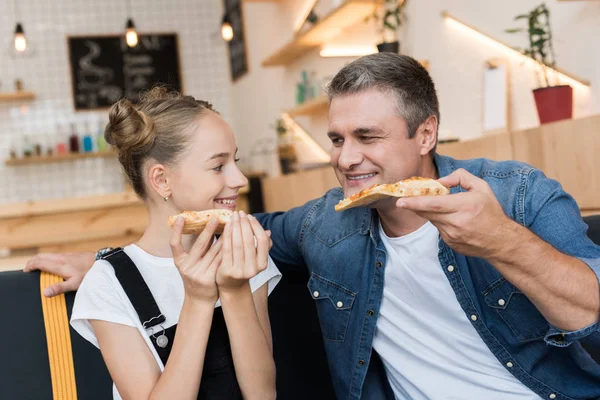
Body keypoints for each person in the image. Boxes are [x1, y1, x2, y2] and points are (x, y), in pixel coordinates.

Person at [27, 54, 600, 399]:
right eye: (336, 139)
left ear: (425, 135)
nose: (346, 159)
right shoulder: (329, 223)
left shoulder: (518, 196)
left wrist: (504, 243)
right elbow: (241, 225)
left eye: (368, 138)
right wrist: (108, 261)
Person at [66, 88, 280, 399]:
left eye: (235, 161)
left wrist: (235, 291)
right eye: (218, 166)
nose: (240, 179)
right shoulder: (107, 284)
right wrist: (198, 299)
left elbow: (262, 394)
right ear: (162, 180)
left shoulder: (243, 251)